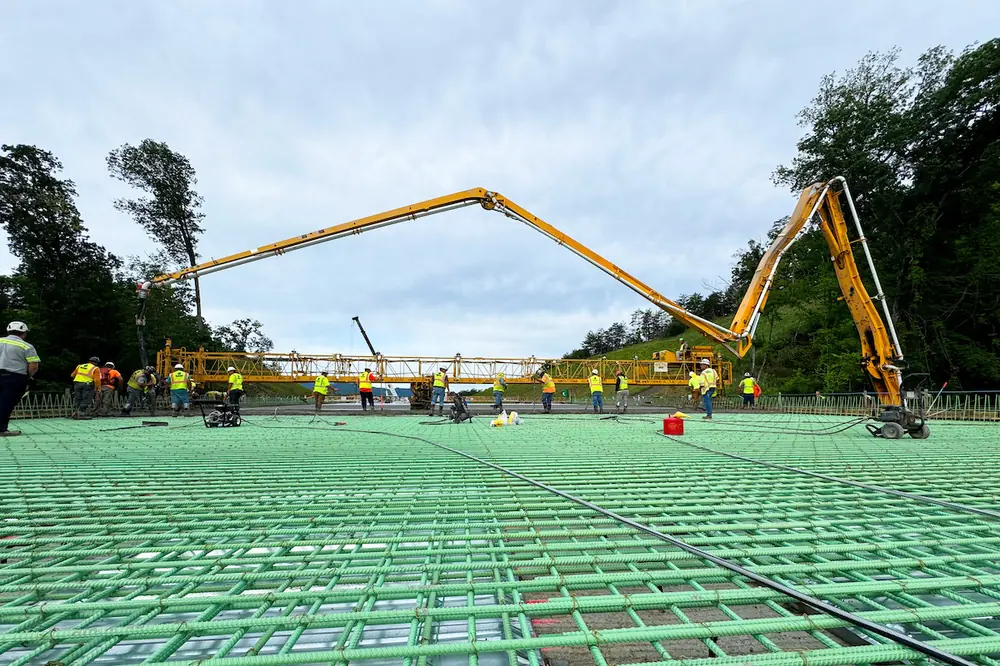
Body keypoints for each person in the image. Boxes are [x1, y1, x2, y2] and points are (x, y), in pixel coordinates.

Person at [0, 321, 40, 436]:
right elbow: (34, 365)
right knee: (6, 403)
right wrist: (28, 376)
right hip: (14, 377)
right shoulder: (26, 346)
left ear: (8, 331)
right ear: (24, 333)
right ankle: (1, 429)